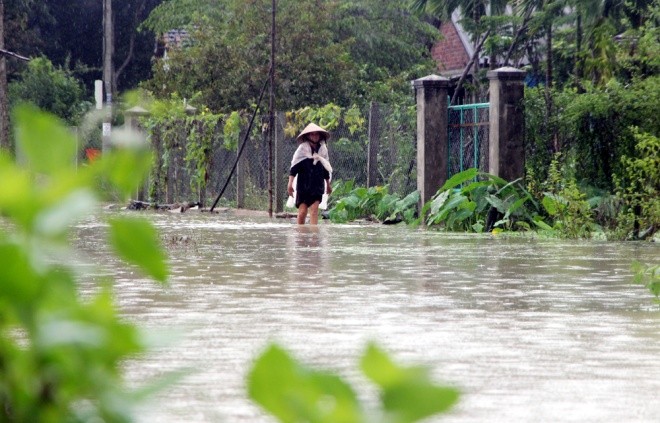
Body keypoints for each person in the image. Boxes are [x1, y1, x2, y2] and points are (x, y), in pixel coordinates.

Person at [288, 123, 333, 225]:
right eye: (312, 134)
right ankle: (300, 235)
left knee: (314, 211)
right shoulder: (302, 150)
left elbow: (325, 168)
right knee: (302, 212)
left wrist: (328, 184)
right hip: (303, 186)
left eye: (316, 134)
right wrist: (290, 184)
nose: (315, 136)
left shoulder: (323, 150)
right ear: (308, 136)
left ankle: (314, 238)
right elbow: (294, 168)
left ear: (320, 136)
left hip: (317, 185)